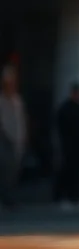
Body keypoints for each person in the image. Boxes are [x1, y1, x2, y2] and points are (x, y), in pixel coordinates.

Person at [54, 81, 79, 211]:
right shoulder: (65, 109)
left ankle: (76, 197)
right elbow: (61, 128)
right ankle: (63, 197)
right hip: (68, 148)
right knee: (67, 173)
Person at [0, 64, 26, 211]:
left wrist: (23, 137)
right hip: (4, 141)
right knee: (4, 171)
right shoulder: (1, 100)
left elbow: (20, 121)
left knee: (13, 173)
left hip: (17, 143)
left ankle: (9, 198)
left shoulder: (17, 101)